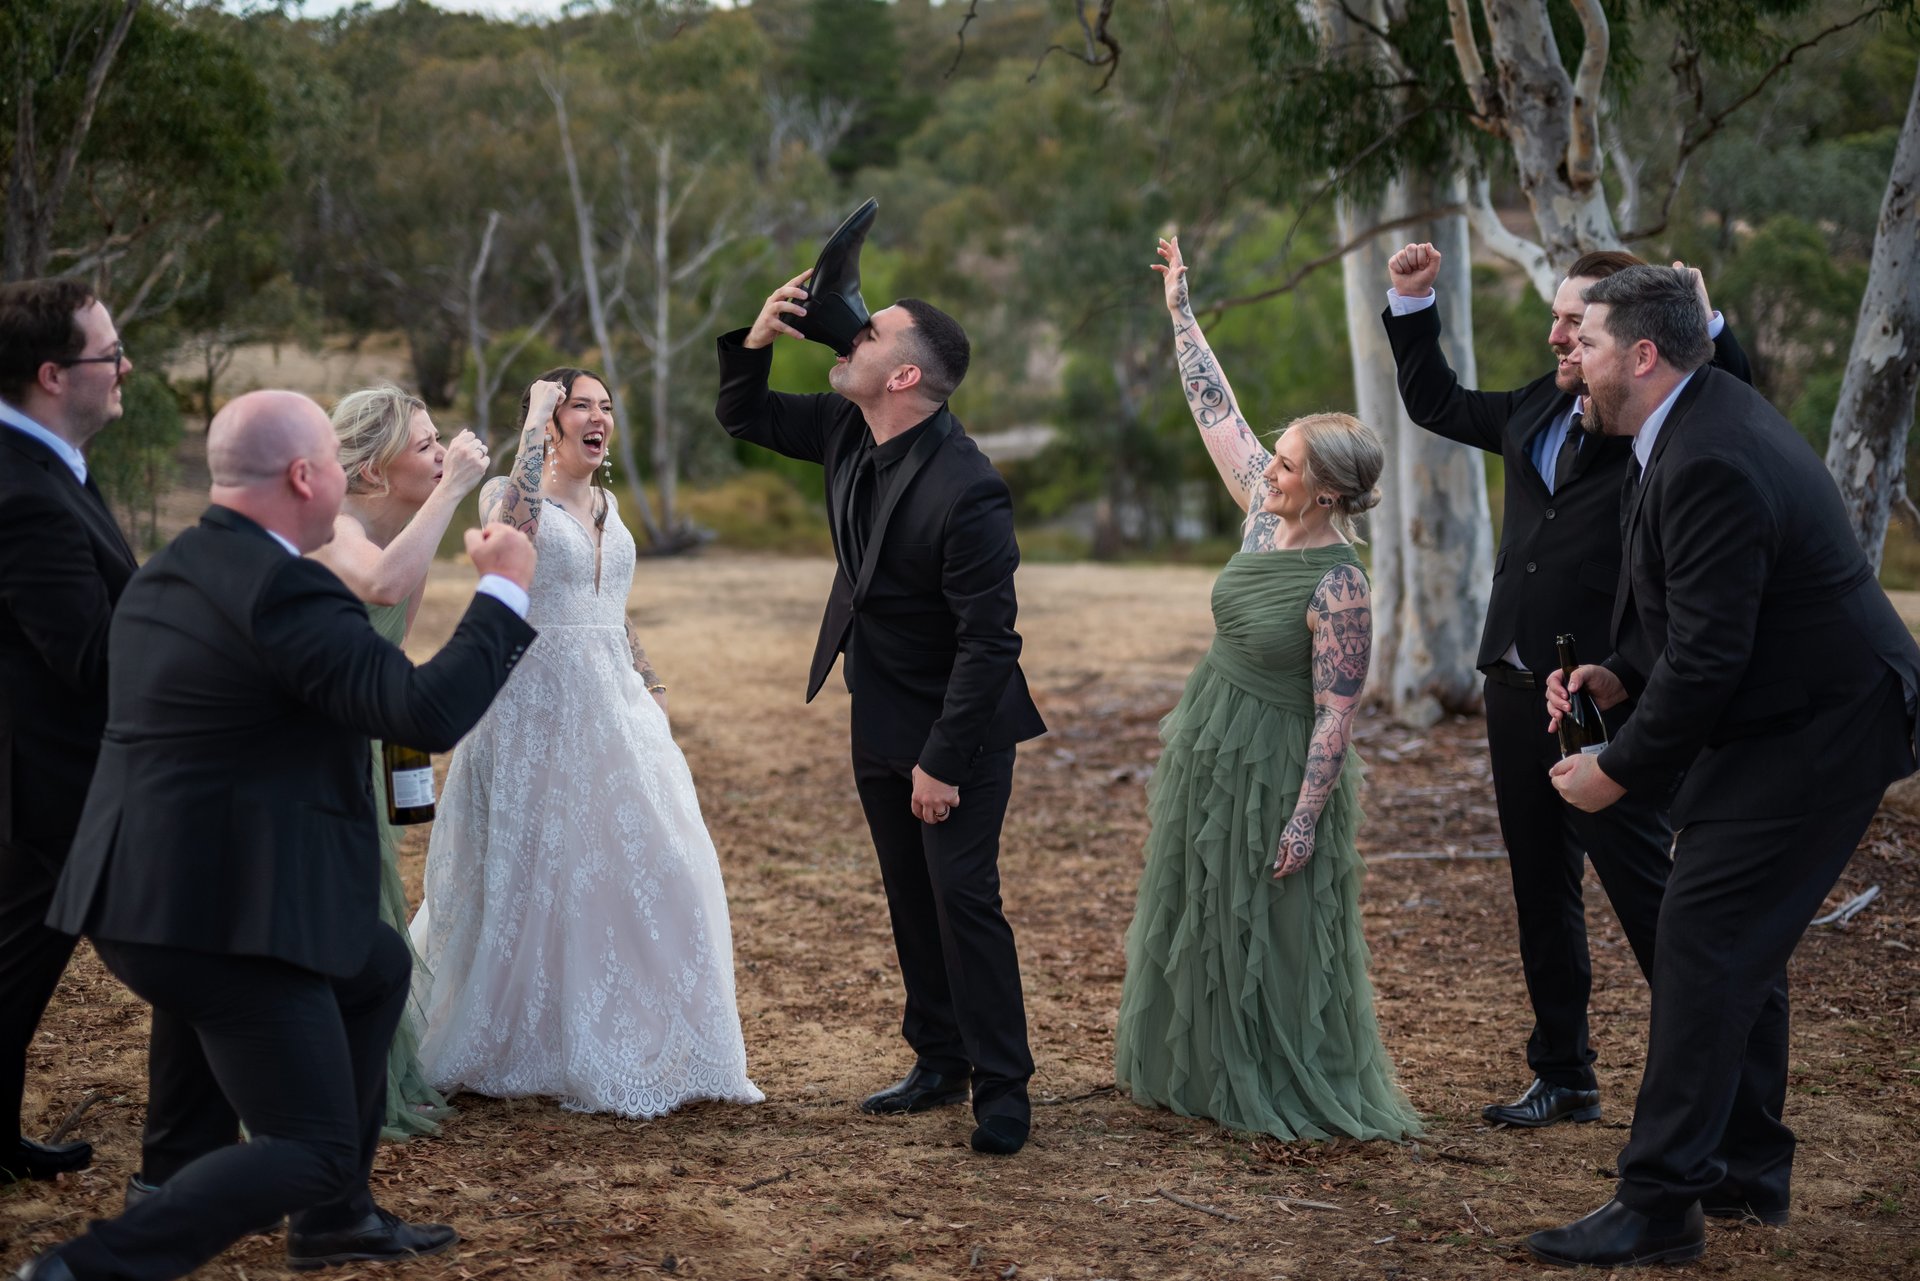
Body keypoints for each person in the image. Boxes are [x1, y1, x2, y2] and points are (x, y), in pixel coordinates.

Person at [16, 390, 537, 1281]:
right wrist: (504, 587)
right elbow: (424, 709)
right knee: (313, 1147)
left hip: (140, 889)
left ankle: (305, 1214)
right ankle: (83, 1269)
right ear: (305, 478)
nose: (342, 477)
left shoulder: (176, 566)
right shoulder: (286, 591)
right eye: (333, 465)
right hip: (222, 912)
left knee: (376, 968)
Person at [1529, 265, 1920, 1268]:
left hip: (1823, 726)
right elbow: (1697, 618)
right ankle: (1746, 1167)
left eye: (1594, 341)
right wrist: (1616, 676)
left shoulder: (1707, 454)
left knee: (1703, 936)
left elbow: (1711, 659)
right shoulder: (1694, 418)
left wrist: (1614, 772)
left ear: (1646, 355)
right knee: (1729, 942)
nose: (1575, 353)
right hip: (1793, 714)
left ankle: (1662, 1201)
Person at [1380, 243, 1753, 1130]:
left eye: (1575, 322)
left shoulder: (1657, 410)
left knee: (1646, 889)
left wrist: (1702, 317)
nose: (1557, 335)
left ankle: (1718, 1075)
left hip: (1609, 688)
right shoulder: (1537, 403)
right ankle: (1564, 1072)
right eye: (1558, 318)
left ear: (1625, 334)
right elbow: (1435, 401)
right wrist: (1413, 300)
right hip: (1515, 679)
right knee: (1538, 879)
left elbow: (1734, 390)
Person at [716, 274, 1046, 1156]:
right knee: (910, 894)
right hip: (878, 707)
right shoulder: (843, 429)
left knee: (964, 898)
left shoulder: (970, 486)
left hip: (960, 724)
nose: (849, 337)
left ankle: (1004, 1089)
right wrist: (756, 339)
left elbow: (990, 642)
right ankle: (938, 1059)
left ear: (904, 377)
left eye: (869, 335)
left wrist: (942, 760)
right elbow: (744, 418)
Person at [1112, 237, 1421, 1142]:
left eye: (1288, 464)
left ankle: (1275, 1067)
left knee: (1274, 912)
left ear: (1327, 492)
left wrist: (1303, 815)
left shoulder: (1341, 586)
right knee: (1202, 895)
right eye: (1276, 457)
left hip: (1283, 756)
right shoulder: (1260, 509)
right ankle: (1205, 1065)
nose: (1270, 467)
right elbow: (1216, 407)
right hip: (1213, 730)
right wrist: (1180, 311)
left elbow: (1337, 714)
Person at [410, 369, 761, 1119]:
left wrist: (648, 675)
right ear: (551, 420)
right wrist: (534, 425)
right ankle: (525, 1033)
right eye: (582, 405)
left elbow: (606, 605)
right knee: (538, 867)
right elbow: (512, 538)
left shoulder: (607, 502)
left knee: (660, 858)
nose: (599, 417)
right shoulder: (509, 490)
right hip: (532, 706)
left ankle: (642, 1026)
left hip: (614, 704)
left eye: (608, 405)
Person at [0, 279, 138, 1185]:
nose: (126, 365)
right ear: (54, 374)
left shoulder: (50, 468)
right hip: (53, 783)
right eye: (109, 354)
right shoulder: (26, 492)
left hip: (61, 783)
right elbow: (88, 652)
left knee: (16, 964)